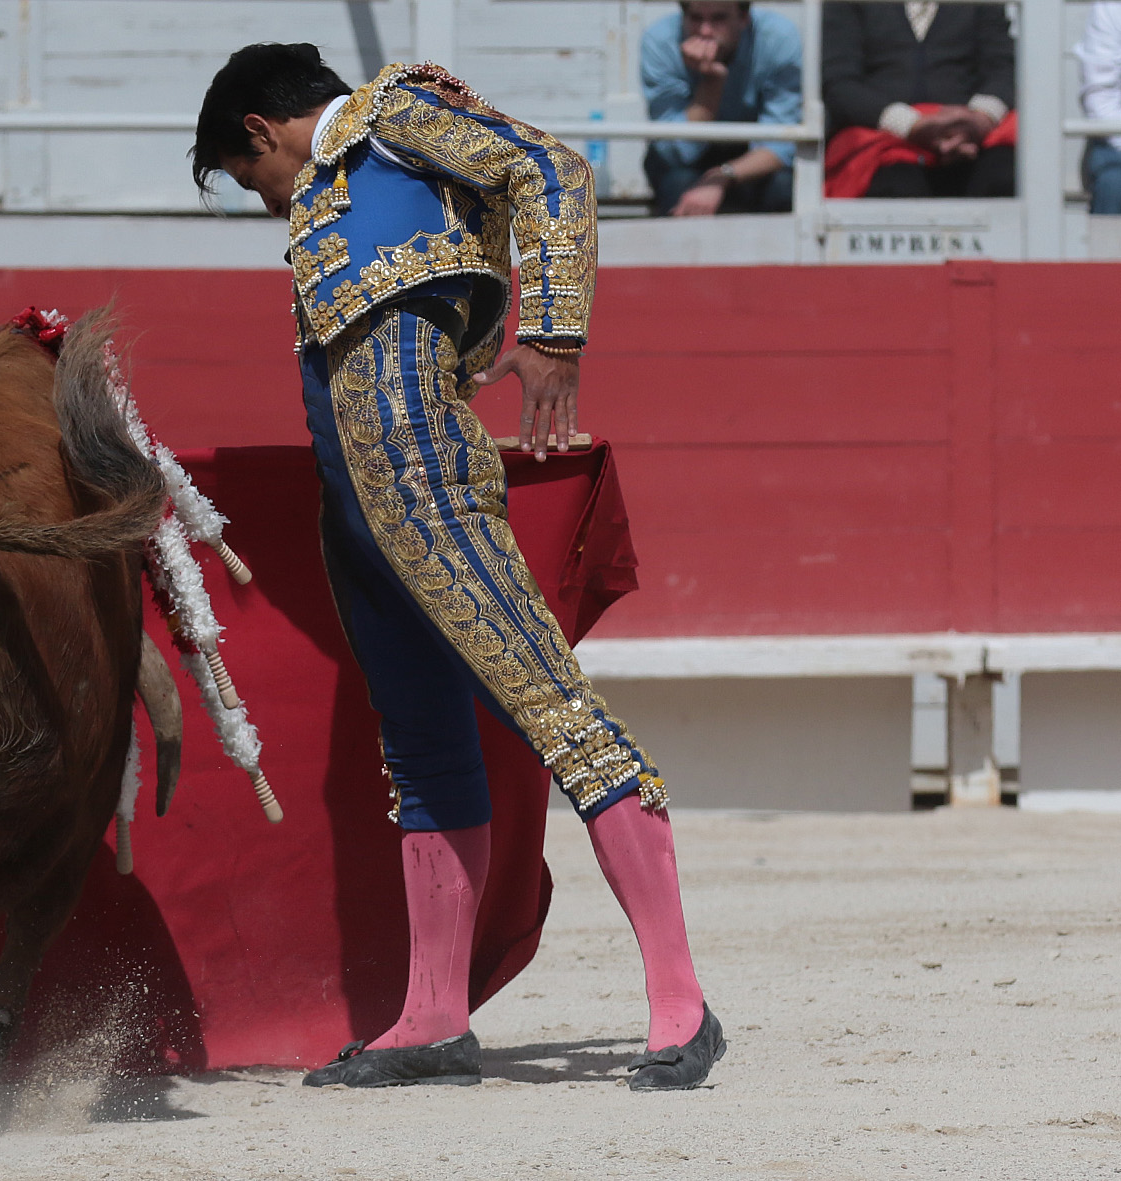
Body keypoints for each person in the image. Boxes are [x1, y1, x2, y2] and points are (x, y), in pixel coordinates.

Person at [192, 44, 723, 1091]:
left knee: (553, 705)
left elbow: (551, 169)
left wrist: (554, 331)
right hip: (353, 507)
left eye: (252, 181)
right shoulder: (348, 183)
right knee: (424, 754)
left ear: (260, 130)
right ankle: (432, 1018)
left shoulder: (393, 116)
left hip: (427, 480)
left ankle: (679, 1001)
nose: (267, 206)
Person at [821, 1, 1016, 199]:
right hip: (880, 133)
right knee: (895, 189)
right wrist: (910, 125)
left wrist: (980, 118)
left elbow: (1003, 67)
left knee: (1007, 176)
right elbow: (838, 82)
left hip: (973, 133)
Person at [641, 1, 801, 216]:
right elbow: (674, 151)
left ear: (744, 18)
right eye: (696, 18)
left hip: (754, 155)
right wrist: (712, 81)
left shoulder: (779, 38)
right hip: (692, 155)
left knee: (783, 186)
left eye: (719, 18)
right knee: (678, 183)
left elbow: (782, 142)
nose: (705, 31)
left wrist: (721, 176)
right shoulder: (661, 41)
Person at [1077, 2, 1121, 215]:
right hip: (1116, 140)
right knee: (1114, 182)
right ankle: (1106, 249)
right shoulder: (1110, 7)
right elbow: (1099, 98)